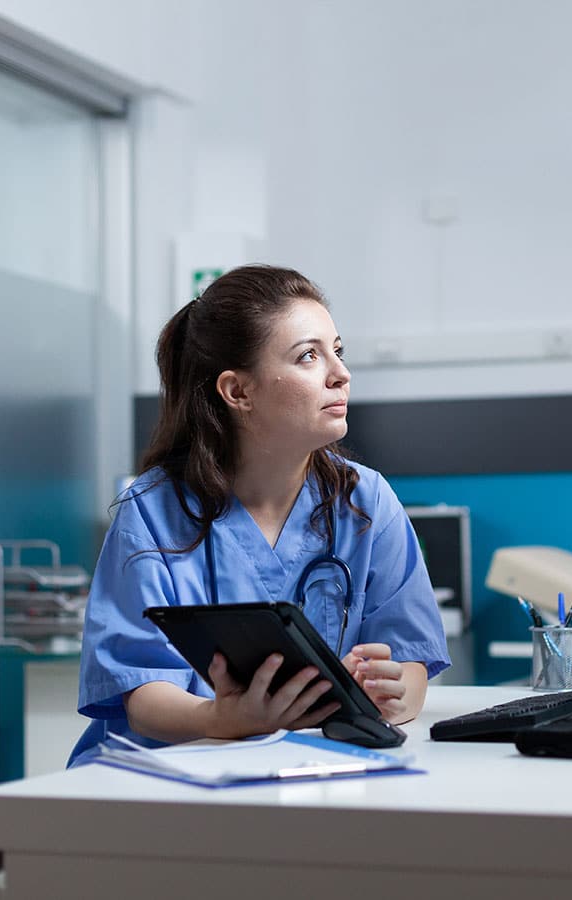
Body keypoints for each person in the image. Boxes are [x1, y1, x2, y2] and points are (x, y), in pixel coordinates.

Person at [69, 265, 450, 767]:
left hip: (305, 772)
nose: (341, 373)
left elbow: (410, 661)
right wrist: (219, 720)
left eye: (338, 350)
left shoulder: (366, 502)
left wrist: (396, 688)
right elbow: (141, 696)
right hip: (161, 774)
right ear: (238, 392)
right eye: (309, 356)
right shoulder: (152, 510)